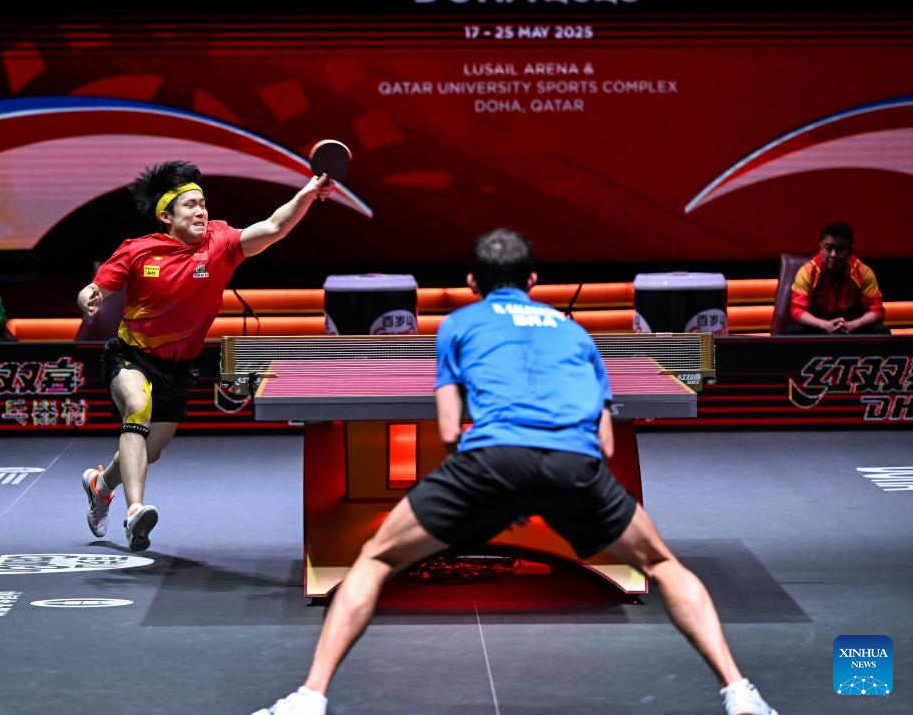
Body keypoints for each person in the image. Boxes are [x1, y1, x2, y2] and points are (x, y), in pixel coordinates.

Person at [253, 229, 776, 715]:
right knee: (662, 564)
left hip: (491, 460)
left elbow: (450, 428)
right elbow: (604, 440)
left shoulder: (458, 325)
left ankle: (308, 700)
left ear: (471, 283)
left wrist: (503, 493)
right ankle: (739, 693)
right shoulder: (575, 333)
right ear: (533, 281)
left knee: (374, 559)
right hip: (574, 464)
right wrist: (548, 491)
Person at [77, 160, 333, 552]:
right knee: (137, 407)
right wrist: (89, 296)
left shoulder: (221, 242)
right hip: (131, 354)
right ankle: (135, 511)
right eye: (190, 205)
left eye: (203, 204)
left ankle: (101, 485)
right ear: (166, 216)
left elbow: (272, 228)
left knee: (150, 450)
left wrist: (308, 194)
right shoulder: (138, 250)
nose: (201, 211)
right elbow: (96, 288)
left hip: (178, 367)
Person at [788, 223, 889, 334]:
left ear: (850, 251)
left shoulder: (863, 272)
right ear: (820, 248)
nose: (833, 255)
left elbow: (876, 310)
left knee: (880, 330)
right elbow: (797, 310)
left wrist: (853, 325)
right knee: (793, 331)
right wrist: (824, 325)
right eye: (828, 248)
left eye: (840, 249)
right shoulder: (807, 272)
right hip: (818, 326)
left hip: (853, 327)